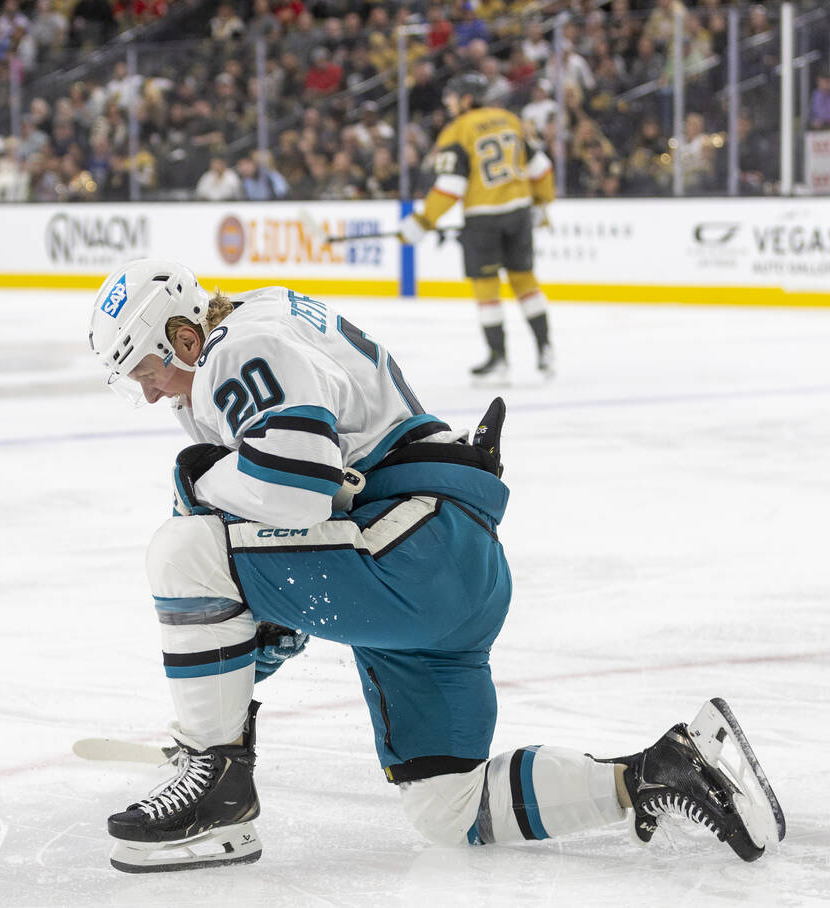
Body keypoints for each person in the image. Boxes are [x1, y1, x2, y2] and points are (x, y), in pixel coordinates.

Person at [86, 259, 785, 872]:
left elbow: (296, 484)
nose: (150, 393)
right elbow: (304, 509)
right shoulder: (265, 314)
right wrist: (246, 654)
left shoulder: (230, 351)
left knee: (182, 548)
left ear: (182, 336)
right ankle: (660, 772)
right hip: (446, 559)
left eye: (147, 371)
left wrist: (199, 482)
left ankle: (220, 791)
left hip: (411, 545)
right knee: (448, 809)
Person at [397, 72, 555, 383]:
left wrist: (423, 220)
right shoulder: (509, 119)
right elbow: (541, 168)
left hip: (484, 218)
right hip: (520, 211)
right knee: (525, 282)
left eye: (453, 97)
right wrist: (541, 203)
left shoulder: (457, 130)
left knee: (486, 289)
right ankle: (545, 349)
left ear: (467, 99)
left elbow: (451, 185)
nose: (449, 103)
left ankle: (498, 359)